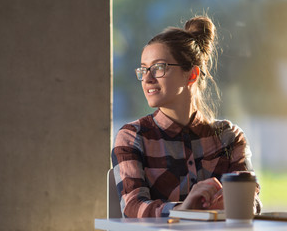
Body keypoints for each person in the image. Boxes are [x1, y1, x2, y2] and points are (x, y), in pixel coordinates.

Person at [111, 14, 262, 218]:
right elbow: (132, 207)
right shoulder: (132, 137)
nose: (146, 78)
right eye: (144, 69)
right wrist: (183, 209)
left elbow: (252, 203)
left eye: (158, 68)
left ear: (191, 74)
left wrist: (239, 203)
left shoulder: (230, 138)